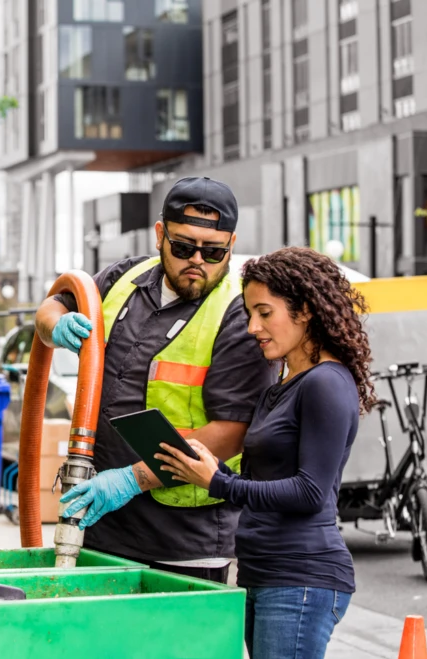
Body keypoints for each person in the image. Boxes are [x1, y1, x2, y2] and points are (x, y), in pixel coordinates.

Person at [37, 176, 278, 584]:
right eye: (183, 247)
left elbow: (232, 431)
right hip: (101, 526)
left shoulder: (238, 315)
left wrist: (132, 478)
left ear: (231, 245)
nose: (198, 260)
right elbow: (54, 303)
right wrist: (54, 325)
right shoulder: (125, 280)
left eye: (214, 251)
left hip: (184, 540)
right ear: (159, 234)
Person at [156, 247, 371, 659]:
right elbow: (261, 483)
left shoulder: (325, 383)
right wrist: (207, 465)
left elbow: (310, 492)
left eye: (264, 312)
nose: (253, 327)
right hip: (264, 574)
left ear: (305, 310)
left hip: (300, 576)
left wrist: (218, 482)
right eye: (249, 314)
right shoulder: (278, 389)